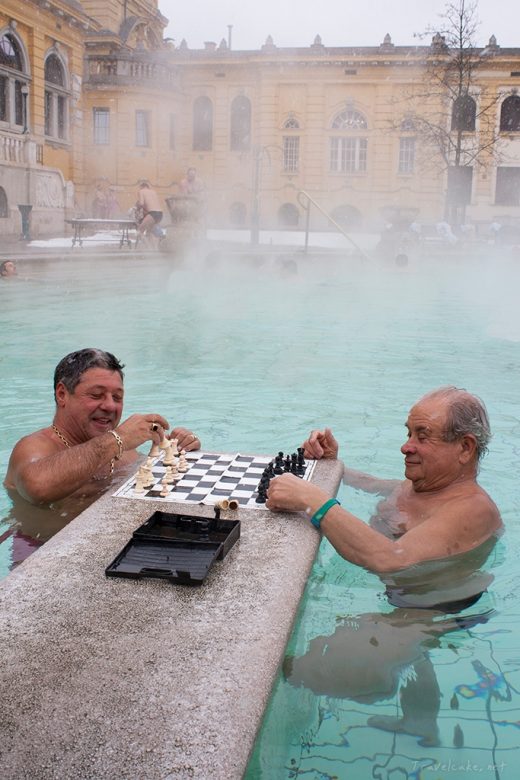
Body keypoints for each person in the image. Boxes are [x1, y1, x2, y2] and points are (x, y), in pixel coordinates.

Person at [266, 387, 502, 584]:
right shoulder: (425, 486)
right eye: (409, 434)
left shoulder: (473, 510)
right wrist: (332, 464)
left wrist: (313, 502)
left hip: (427, 616)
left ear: (465, 448)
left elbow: (391, 560)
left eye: (423, 436)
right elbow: (371, 484)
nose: (406, 447)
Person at [4, 348, 200, 505]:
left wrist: (178, 451)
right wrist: (119, 438)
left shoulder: (124, 453)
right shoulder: (34, 447)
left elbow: (159, 489)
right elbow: (38, 488)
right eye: (96, 395)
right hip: (40, 548)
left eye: (117, 397)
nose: (110, 406)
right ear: (62, 394)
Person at [135, 181, 163, 247]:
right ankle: (155, 250)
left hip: (153, 213)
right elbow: (152, 204)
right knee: (150, 231)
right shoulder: (153, 192)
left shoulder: (141, 191)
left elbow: (141, 203)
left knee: (139, 231)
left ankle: (148, 248)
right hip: (160, 214)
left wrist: (136, 208)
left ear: (141, 187)